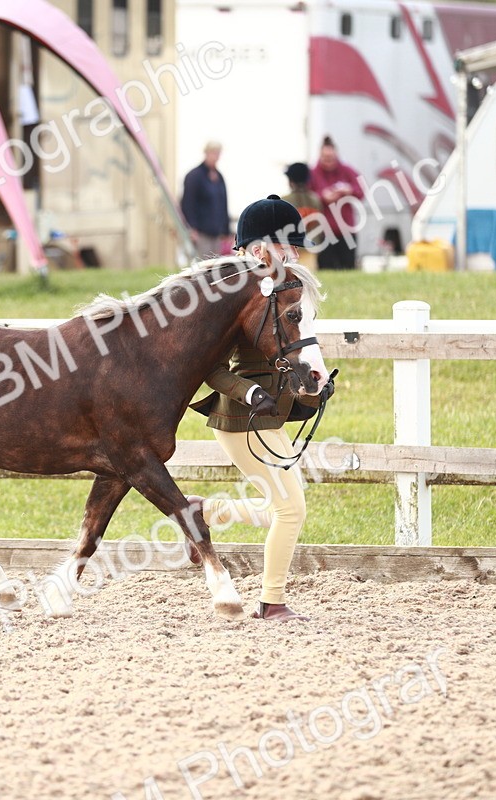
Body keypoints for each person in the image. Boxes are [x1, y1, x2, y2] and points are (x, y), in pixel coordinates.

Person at [188, 195, 335, 622]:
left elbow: (295, 349)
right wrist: (248, 393)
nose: (293, 254)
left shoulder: (284, 288)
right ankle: (272, 603)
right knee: (291, 509)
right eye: (286, 246)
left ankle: (204, 512)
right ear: (258, 251)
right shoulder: (234, 298)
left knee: (279, 505)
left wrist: (313, 386)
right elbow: (212, 369)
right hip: (241, 417)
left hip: (272, 415)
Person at [309, 136, 363, 270]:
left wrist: (348, 190)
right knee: (326, 268)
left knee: (349, 267)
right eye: (325, 158)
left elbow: (361, 190)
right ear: (320, 156)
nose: (328, 161)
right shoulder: (313, 174)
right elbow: (308, 196)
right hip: (324, 232)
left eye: (331, 158)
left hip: (347, 230)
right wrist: (322, 196)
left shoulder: (347, 171)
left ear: (336, 155)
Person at [180, 141, 231, 258]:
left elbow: (223, 204)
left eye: (218, 153)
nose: (215, 156)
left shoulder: (219, 177)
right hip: (201, 233)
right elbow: (188, 203)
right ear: (206, 153)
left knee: (216, 267)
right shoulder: (194, 176)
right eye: (213, 153)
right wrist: (191, 228)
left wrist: (226, 230)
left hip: (216, 233)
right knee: (203, 265)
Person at [281, 161, 322, 271]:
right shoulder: (315, 200)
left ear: (291, 181)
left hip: (289, 248)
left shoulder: (284, 200)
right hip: (311, 247)